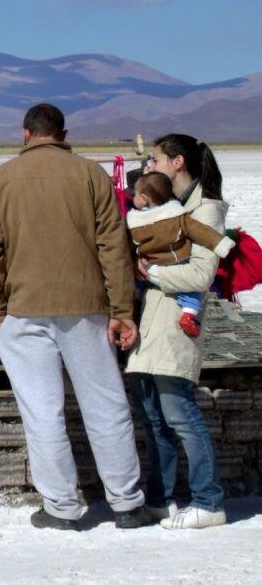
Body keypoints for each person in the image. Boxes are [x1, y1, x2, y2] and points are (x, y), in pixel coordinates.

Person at [0, 103, 147, 530]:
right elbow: (114, 247)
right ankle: (127, 503)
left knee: (42, 409)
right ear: (63, 134)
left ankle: (62, 508)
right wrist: (121, 309)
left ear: (25, 134)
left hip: (24, 308)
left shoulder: (1, 180)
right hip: (86, 306)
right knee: (106, 404)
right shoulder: (91, 175)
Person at [126, 134, 228, 530]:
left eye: (155, 160)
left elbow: (202, 273)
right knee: (152, 414)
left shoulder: (206, 210)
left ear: (177, 162)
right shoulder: (167, 208)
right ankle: (160, 497)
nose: (149, 167)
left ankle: (209, 498)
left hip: (175, 324)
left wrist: (153, 273)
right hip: (151, 321)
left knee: (179, 413)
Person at [127, 172, 234, 337]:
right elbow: (201, 231)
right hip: (177, 261)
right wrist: (221, 243)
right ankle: (189, 314)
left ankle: (133, 307)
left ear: (144, 198)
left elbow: (126, 244)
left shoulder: (134, 222)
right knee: (191, 290)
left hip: (148, 264)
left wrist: (132, 260)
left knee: (136, 288)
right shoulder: (176, 216)